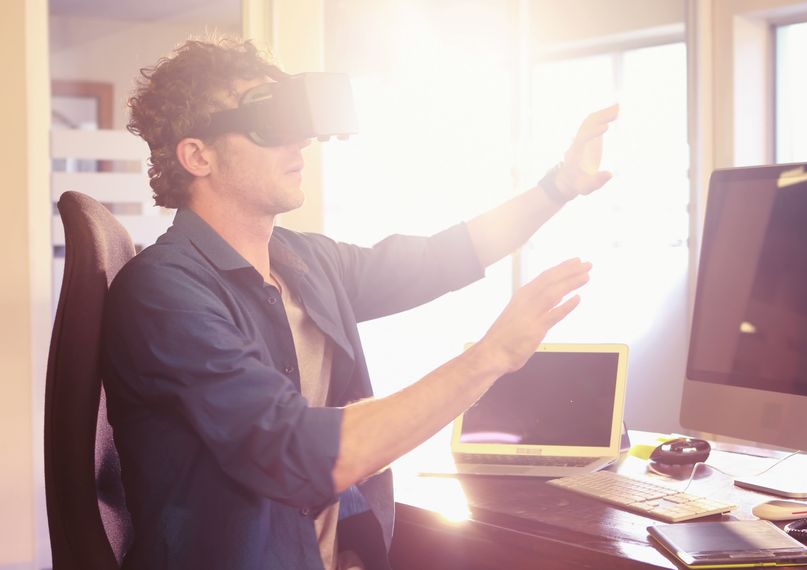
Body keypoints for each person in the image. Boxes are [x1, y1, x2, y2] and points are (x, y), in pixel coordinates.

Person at [102, 36, 618, 570]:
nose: (299, 142)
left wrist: (558, 186)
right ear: (197, 155)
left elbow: (443, 256)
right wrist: (489, 357)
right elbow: (297, 453)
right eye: (270, 124)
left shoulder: (304, 261)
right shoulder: (164, 292)